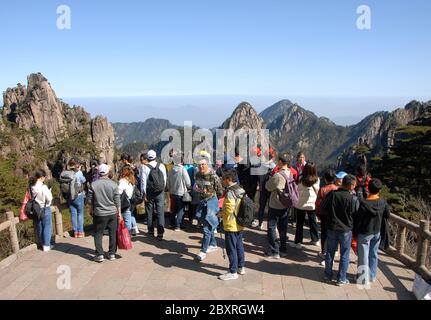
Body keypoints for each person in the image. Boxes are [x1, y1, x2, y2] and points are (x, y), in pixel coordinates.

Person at [321, 174, 359, 286]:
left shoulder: (332, 194)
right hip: (346, 229)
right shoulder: (353, 198)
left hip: (332, 227)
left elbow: (323, 208)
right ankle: (341, 278)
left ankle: (327, 275)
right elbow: (356, 215)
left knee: (330, 252)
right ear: (351, 186)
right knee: (344, 254)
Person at [354, 179, 390, 285]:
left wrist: (355, 232)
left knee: (363, 255)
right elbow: (387, 215)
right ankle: (372, 275)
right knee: (374, 253)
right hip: (377, 231)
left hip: (365, 232)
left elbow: (358, 218)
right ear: (379, 190)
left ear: (368, 188)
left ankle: (363, 278)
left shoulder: (364, 203)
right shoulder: (383, 202)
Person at [87, 164, 122, 263]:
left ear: (99, 173)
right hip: (112, 213)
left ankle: (99, 254)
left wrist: (90, 209)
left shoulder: (93, 185)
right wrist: (119, 213)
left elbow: (90, 200)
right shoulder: (114, 184)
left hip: (99, 213)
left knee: (98, 233)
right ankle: (111, 253)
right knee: (112, 233)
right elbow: (117, 200)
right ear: (107, 173)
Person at [218, 169, 246, 281]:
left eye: (224, 179)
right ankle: (241, 267)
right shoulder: (240, 189)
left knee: (231, 248)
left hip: (231, 224)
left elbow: (228, 210)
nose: (223, 181)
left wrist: (220, 214)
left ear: (229, 179)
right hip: (240, 223)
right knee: (239, 246)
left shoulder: (230, 192)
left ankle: (233, 271)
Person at [194, 156, 224, 262]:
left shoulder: (213, 176)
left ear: (207, 165)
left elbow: (220, 190)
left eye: (203, 164)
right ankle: (213, 244)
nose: (201, 166)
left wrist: (215, 202)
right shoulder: (197, 174)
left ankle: (203, 251)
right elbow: (196, 184)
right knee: (204, 222)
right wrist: (196, 189)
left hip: (211, 201)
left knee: (206, 228)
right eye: (200, 164)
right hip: (202, 201)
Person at [264, 153, 293, 259]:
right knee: (283, 228)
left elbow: (268, 187)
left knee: (271, 227)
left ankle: (274, 251)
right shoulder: (290, 173)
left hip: (275, 203)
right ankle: (283, 249)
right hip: (286, 204)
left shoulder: (278, 175)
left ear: (281, 162)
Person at [290, 162, 320, 249]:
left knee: (299, 223)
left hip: (300, 204)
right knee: (313, 222)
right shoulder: (317, 179)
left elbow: (297, 189)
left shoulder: (300, 178)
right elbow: (317, 190)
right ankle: (315, 239)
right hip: (311, 204)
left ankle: (298, 242)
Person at [141, 150, 167, 241]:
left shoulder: (145, 167)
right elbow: (164, 179)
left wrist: (143, 194)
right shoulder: (162, 166)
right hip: (160, 191)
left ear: (147, 157)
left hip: (149, 192)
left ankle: (151, 230)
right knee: (160, 212)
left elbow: (143, 182)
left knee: (149, 211)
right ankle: (160, 233)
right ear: (156, 157)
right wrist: (162, 189)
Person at [316, 169, 339, 264]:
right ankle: (335, 251)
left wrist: (318, 214)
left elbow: (318, 203)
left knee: (324, 233)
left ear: (325, 179)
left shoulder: (323, 189)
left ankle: (324, 252)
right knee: (334, 234)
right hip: (335, 216)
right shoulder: (338, 189)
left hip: (325, 215)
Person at [30, 169, 53, 252]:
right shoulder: (43, 187)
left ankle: (41, 243)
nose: (45, 178)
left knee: (39, 226)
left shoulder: (32, 186)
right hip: (45, 208)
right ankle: (46, 245)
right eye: (44, 177)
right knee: (47, 227)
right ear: (41, 177)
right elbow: (49, 198)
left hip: (36, 209)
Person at [168, 154, 191, 231]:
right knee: (181, 209)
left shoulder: (171, 169)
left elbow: (168, 181)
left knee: (174, 208)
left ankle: (171, 223)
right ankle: (178, 225)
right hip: (181, 193)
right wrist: (189, 187)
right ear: (181, 161)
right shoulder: (182, 169)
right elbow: (188, 182)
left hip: (172, 192)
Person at [67, 158, 87, 238]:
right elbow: (84, 180)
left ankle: (75, 232)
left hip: (70, 197)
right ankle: (81, 232)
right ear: (76, 165)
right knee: (80, 213)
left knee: (73, 214)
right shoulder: (78, 173)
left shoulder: (67, 173)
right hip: (78, 195)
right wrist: (79, 171)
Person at [118, 166, 139, 235]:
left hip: (125, 201)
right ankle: (135, 229)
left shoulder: (123, 181)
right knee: (130, 215)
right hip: (132, 200)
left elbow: (119, 192)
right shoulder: (132, 180)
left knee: (127, 219)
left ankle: (127, 234)